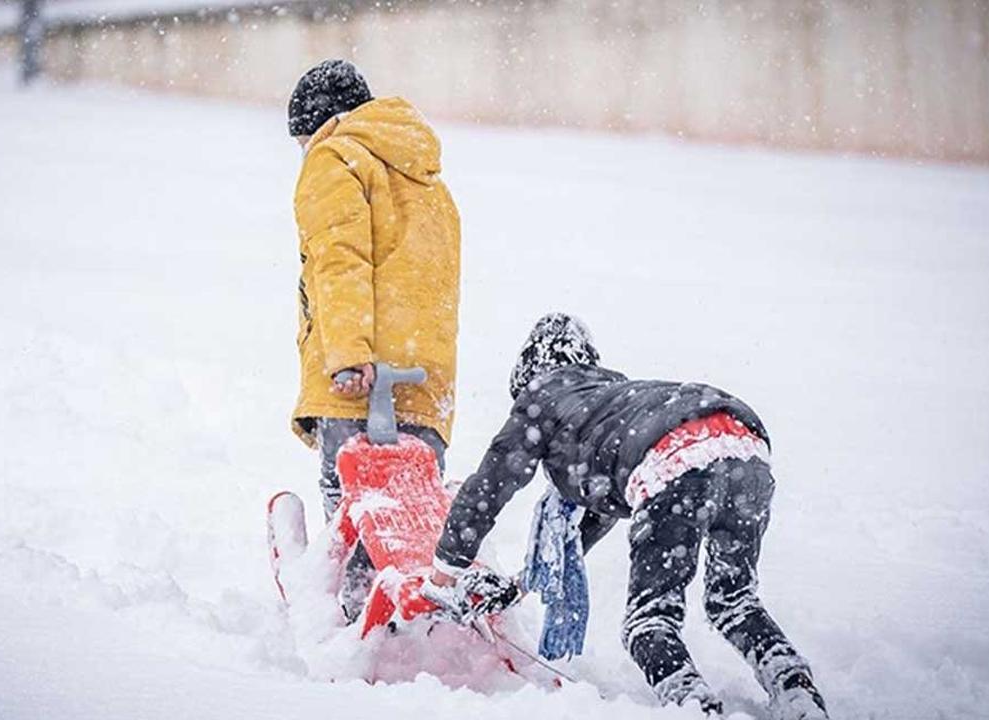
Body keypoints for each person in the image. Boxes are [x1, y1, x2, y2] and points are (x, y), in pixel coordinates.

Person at [423, 314, 829, 720]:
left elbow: (488, 488)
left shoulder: (543, 396)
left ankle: (698, 708)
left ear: (528, 373)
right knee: (734, 601)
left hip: (675, 459)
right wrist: (518, 586)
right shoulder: (614, 403)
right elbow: (588, 524)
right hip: (744, 447)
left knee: (649, 623)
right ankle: (795, 691)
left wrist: (443, 575)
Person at [287, 60, 461, 618]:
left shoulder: (334, 157)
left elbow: (340, 262)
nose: (302, 152)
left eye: (301, 140)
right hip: (426, 380)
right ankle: (408, 618)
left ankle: (345, 617)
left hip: (360, 374)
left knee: (353, 507)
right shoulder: (426, 176)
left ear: (321, 124)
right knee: (407, 519)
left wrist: (348, 354)